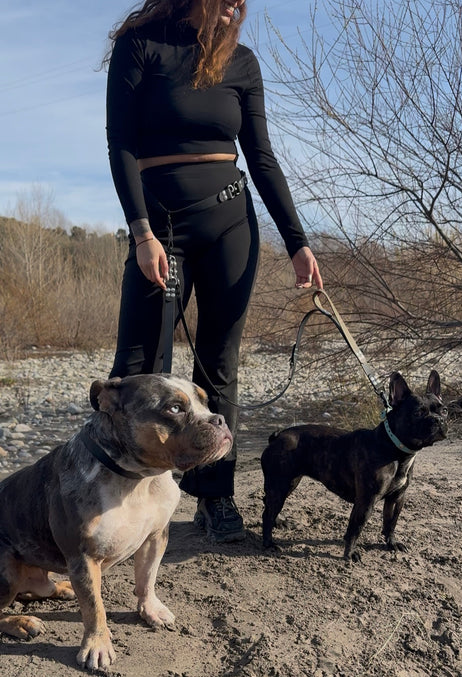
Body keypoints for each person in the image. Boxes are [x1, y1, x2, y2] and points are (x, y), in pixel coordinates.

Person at [105, 0, 323, 543]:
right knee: (140, 362)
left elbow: (262, 154)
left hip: (231, 224)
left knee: (218, 363)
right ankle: (116, 491)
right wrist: (142, 234)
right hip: (160, 230)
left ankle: (214, 494)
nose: (235, 5)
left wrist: (297, 242)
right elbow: (121, 143)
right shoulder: (142, 46)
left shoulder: (242, 62)